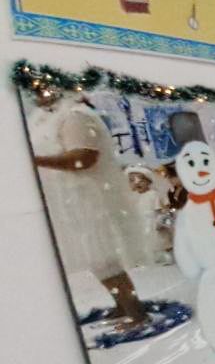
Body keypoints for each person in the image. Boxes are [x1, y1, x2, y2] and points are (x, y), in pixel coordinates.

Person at [30, 93, 148, 331]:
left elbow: (84, 157)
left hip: (89, 200)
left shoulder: (76, 116)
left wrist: (36, 160)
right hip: (71, 201)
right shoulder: (43, 119)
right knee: (95, 258)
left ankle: (136, 313)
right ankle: (122, 304)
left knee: (104, 257)